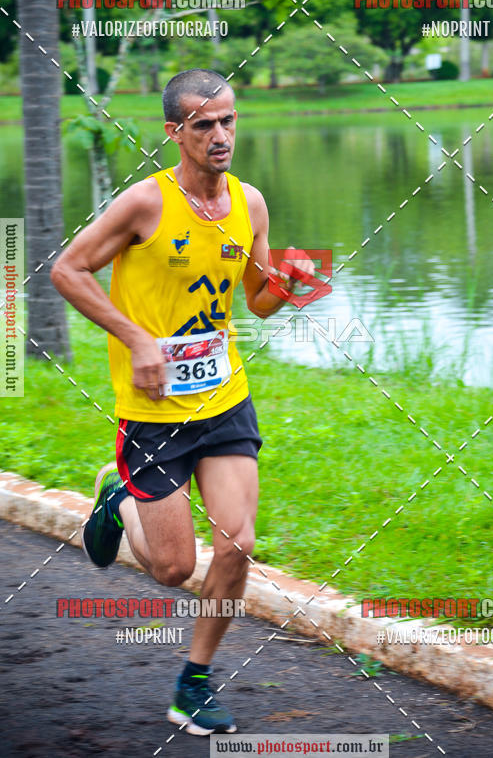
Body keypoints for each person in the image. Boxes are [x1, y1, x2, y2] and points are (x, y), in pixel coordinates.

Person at [50, 68, 314, 736]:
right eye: (204, 125)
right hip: (154, 412)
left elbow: (256, 299)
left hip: (224, 399)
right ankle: (120, 499)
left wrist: (291, 284)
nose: (221, 135)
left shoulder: (250, 203)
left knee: (237, 545)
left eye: (228, 121)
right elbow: (65, 269)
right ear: (174, 132)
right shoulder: (143, 202)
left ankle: (193, 684)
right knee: (172, 569)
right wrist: (137, 338)